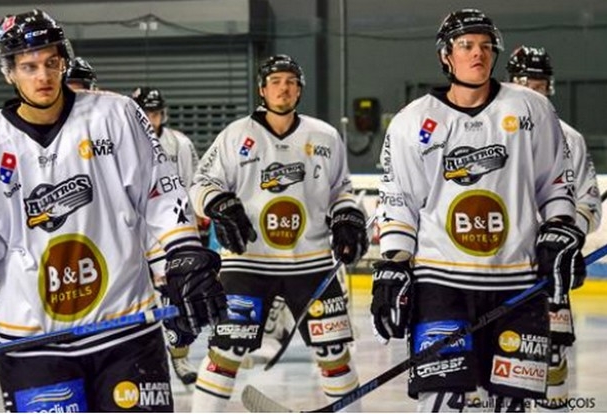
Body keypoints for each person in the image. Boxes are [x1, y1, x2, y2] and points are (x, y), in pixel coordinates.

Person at [0, 9, 227, 413]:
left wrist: (182, 255)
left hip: (125, 330)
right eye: (29, 66)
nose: (42, 76)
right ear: (9, 72)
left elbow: (160, 192)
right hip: (34, 342)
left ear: (64, 61)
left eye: (50, 62)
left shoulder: (117, 116)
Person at [372, 9, 584, 412]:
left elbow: (556, 182)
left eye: (486, 46)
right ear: (445, 56)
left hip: (518, 282)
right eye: (466, 45)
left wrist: (559, 227)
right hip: (440, 284)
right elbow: (399, 201)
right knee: (442, 398)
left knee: (511, 403)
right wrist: (395, 264)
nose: (478, 54)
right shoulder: (412, 122)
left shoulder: (532, 111)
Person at [188, 54, 369, 412]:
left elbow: (341, 189)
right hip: (249, 263)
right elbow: (201, 184)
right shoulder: (237, 134)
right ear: (262, 89)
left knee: (334, 353)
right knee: (226, 351)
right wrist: (219, 202)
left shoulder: (325, 136)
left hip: (312, 262)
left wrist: (347, 214)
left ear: (299, 90)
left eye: (290, 81)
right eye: (275, 81)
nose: (283, 88)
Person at [507, 45, 602, 412]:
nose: (534, 90)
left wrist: (565, 234)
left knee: (551, 359)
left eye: (540, 83)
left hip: (550, 271)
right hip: (498, 270)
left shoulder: (570, 139)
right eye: (525, 83)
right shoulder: (491, 130)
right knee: (500, 359)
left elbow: (589, 204)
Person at [132, 85, 201, 386]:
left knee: (175, 300)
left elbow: (193, 184)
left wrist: (195, 223)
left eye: (155, 112)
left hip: (168, 235)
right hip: (132, 237)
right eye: (145, 112)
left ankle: (181, 357)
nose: (151, 118)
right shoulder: (120, 142)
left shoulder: (179, 144)